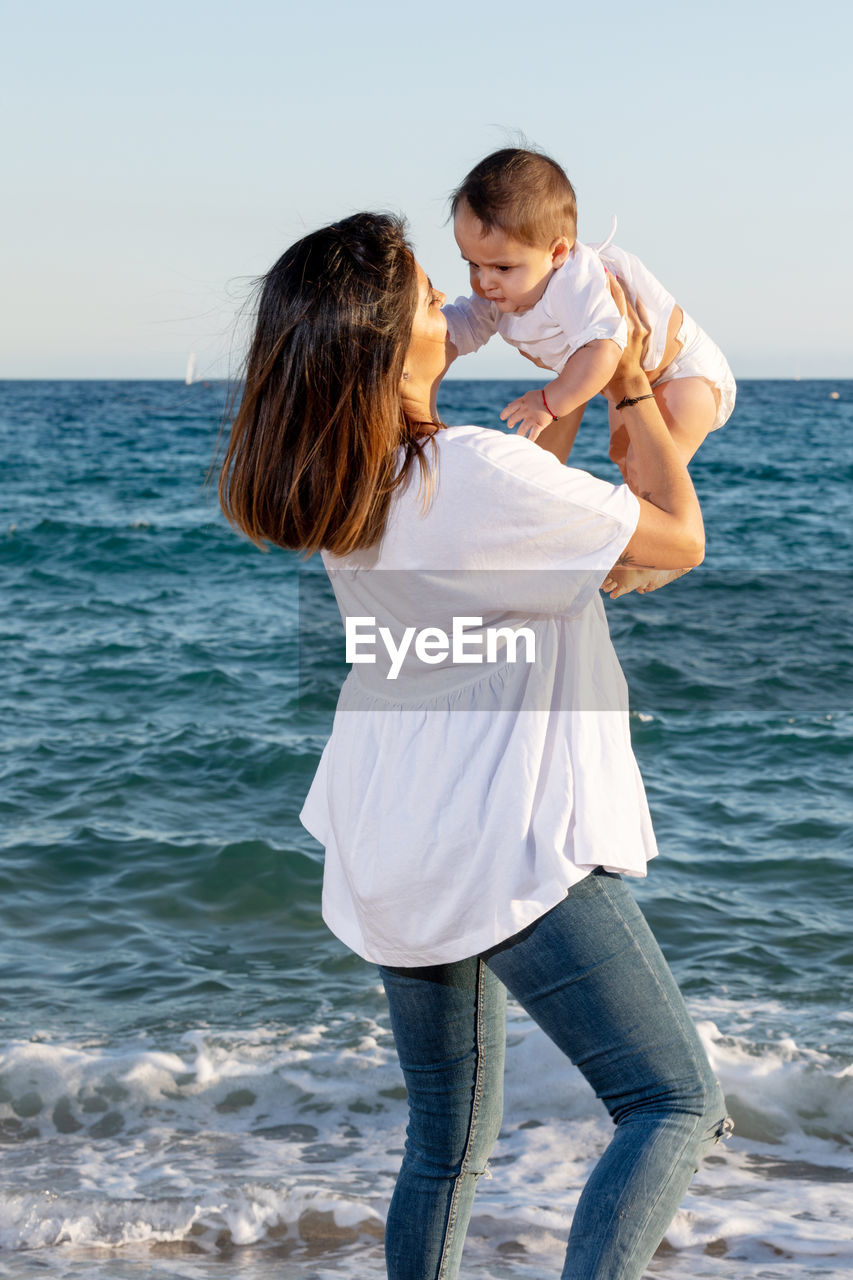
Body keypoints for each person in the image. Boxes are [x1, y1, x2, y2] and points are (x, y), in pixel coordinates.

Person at [218, 211, 732, 1280]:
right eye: (424, 292)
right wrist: (630, 379)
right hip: (500, 834)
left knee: (442, 1145)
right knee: (672, 1098)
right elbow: (677, 541)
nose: (453, 300)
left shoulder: (348, 488)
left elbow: (509, 534)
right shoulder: (475, 474)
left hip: (391, 828)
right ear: (389, 339)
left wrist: (555, 427)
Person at [444, 148, 736, 597]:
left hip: (686, 375)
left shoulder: (574, 283)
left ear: (557, 251)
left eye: (501, 267)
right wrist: (424, 339)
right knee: (624, 456)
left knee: (647, 468)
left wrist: (550, 401)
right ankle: (650, 550)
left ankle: (664, 559)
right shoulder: (505, 288)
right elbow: (464, 324)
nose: (484, 282)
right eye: (472, 264)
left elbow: (605, 349)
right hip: (636, 378)